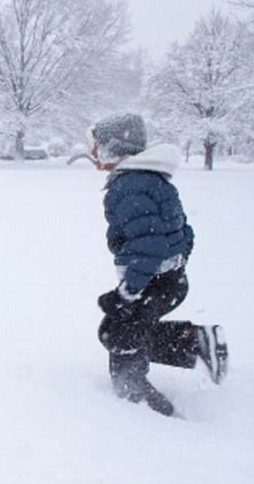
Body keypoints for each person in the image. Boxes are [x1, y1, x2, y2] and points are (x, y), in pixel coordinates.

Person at [89, 113, 228, 416]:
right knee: (114, 331)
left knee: (121, 338)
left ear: (114, 148)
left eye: (97, 145)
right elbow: (184, 233)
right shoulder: (150, 179)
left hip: (151, 283)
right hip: (165, 280)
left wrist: (129, 292)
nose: (93, 152)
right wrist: (173, 266)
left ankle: (146, 413)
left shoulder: (130, 186)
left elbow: (148, 244)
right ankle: (194, 341)